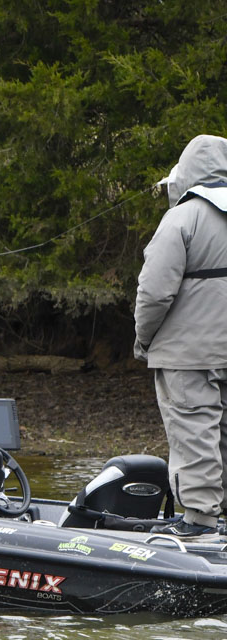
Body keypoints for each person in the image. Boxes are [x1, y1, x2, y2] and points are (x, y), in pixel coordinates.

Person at [134, 134, 227, 536]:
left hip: (187, 354)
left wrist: (144, 339)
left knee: (194, 429)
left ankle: (200, 520)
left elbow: (154, 292)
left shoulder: (181, 218)